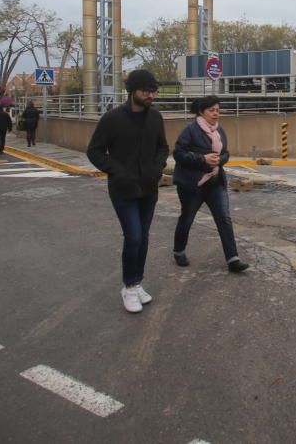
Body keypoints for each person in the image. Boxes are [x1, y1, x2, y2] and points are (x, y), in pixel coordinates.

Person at [87, 70, 169, 314]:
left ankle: (137, 282)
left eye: (153, 91)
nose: (150, 96)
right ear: (132, 91)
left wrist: (157, 167)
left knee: (143, 237)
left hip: (148, 188)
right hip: (123, 190)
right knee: (133, 236)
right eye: (146, 91)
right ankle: (129, 286)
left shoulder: (155, 117)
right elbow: (95, 151)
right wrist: (117, 171)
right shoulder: (112, 119)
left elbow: (162, 147)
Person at [172, 96, 249, 273]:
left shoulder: (219, 130)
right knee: (187, 218)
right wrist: (202, 159)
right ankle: (179, 251)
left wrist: (220, 160)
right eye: (211, 110)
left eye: (217, 110)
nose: (216, 114)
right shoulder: (190, 130)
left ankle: (233, 259)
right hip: (193, 185)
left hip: (215, 183)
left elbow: (226, 154)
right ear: (201, 112)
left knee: (224, 218)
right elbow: (178, 154)